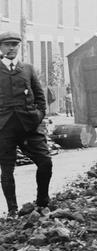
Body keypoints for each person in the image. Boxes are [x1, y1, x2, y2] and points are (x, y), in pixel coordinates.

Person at [0, 31, 52, 217]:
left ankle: (42, 202)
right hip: (4, 128)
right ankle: (13, 210)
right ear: (1, 47)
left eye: (15, 44)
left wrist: (37, 116)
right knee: (6, 170)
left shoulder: (28, 69)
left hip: (29, 126)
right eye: (7, 45)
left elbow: (40, 97)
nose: (11, 48)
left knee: (45, 162)